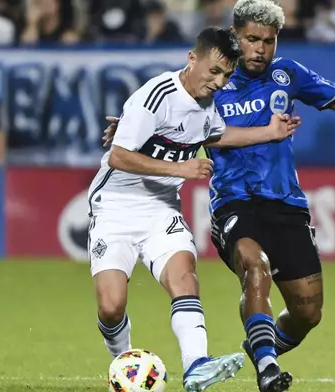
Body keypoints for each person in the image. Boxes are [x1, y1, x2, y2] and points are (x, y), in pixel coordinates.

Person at [101, 2, 335, 389]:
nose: (261, 49)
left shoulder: (287, 74)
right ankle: (267, 369)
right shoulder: (214, 77)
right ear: (235, 35)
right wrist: (131, 129)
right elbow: (168, 112)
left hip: (285, 202)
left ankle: (261, 345)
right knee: (254, 267)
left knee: (308, 311)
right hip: (233, 201)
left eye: (269, 41)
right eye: (252, 40)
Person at [88, 27, 300, 392]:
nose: (219, 82)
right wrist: (180, 168)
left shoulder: (206, 106)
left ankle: (196, 366)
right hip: (116, 209)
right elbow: (119, 156)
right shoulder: (156, 96)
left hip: (161, 209)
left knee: (185, 279)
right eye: (214, 71)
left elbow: (218, 135)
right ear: (192, 59)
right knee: (111, 307)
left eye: (226, 76)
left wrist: (269, 132)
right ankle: (122, 365)